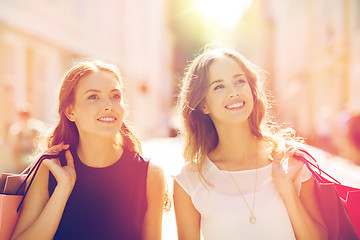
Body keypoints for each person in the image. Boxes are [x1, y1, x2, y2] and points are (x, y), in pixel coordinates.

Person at [173, 45, 328, 239]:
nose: (234, 92)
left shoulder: (289, 160)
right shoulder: (189, 181)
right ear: (203, 104)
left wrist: (287, 190)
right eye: (219, 86)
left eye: (239, 81)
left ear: (251, 89)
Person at [11, 59, 167, 240]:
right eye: (93, 97)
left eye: (115, 96)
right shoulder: (50, 168)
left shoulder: (150, 174)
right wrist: (63, 189)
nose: (109, 105)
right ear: (70, 112)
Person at [8, 105, 45, 172]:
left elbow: (42, 144)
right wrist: (18, 165)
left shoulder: (37, 127)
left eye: (26, 115)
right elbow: (14, 150)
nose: (24, 118)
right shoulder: (16, 130)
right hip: (22, 160)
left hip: (35, 158)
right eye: (22, 115)